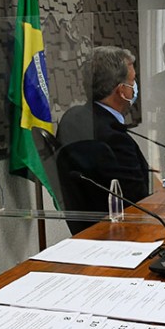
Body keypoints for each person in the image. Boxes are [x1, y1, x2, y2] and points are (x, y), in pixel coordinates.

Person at [56, 46, 150, 234]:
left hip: (89, 233)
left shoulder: (72, 118)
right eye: (133, 81)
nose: (135, 86)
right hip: (123, 234)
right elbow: (139, 203)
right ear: (121, 91)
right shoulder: (114, 138)